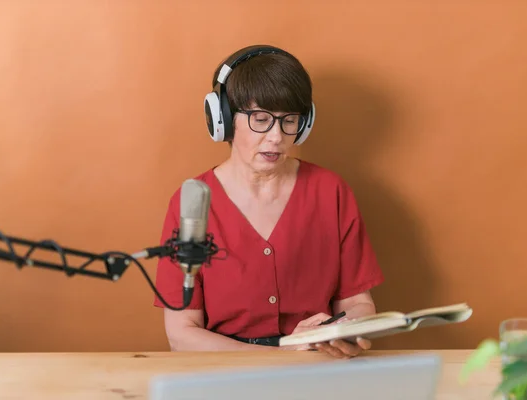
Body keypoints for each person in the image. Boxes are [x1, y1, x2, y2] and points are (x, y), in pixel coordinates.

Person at [153, 45, 385, 359]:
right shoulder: (192, 202)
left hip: (314, 369)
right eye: (260, 119)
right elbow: (182, 334)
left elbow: (359, 305)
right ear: (223, 119)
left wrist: (343, 332)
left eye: (289, 121)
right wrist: (280, 350)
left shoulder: (332, 191)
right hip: (225, 376)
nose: (276, 136)